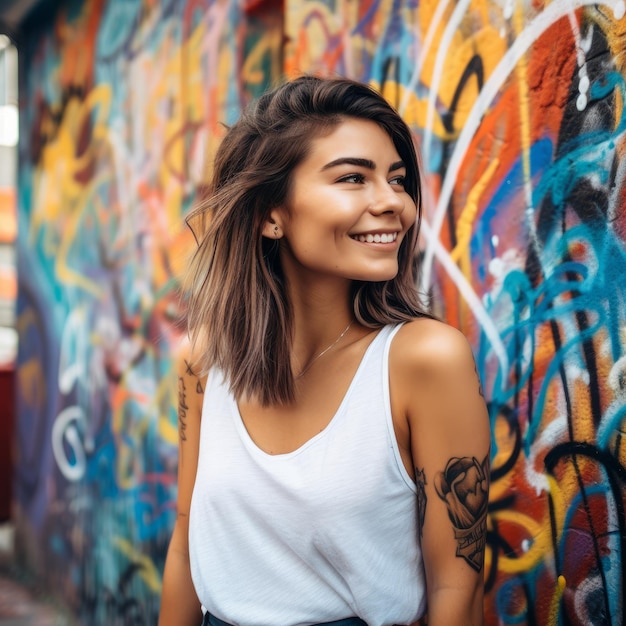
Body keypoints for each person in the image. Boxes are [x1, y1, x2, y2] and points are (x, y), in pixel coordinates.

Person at [158, 75, 490, 626]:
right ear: (271, 214)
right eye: (353, 178)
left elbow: (458, 584)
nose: (393, 204)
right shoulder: (204, 361)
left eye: (398, 180)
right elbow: (185, 545)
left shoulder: (424, 360)